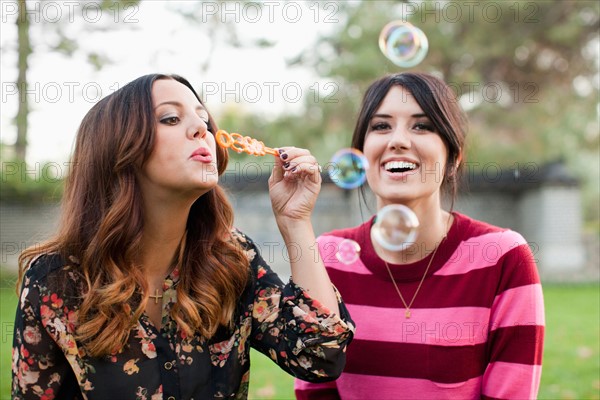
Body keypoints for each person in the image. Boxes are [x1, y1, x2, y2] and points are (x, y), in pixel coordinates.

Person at [12, 73, 355, 399]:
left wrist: (295, 221)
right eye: (171, 119)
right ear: (118, 149)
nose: (201, 130)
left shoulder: (232, 259)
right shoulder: (56, 281)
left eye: (204, 119)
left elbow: (321, 355)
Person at [295, 72, 544, 399]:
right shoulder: (327, 257)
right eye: (381, 126)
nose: (397, 140)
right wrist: (295, 221)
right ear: (362, 155)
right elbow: (315, 389)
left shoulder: (503, 258)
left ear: (454, 157)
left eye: (422, 126)